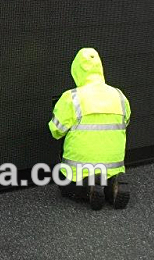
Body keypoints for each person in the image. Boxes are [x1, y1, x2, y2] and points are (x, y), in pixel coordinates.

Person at [48, 47, 131, 210]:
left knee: (63, 183)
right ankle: (112, 184)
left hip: (78, 171)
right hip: (113, 168)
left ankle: (88, 188)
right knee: (108, 176)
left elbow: (55, 131)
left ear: (76, 71)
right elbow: (125, 122)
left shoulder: (72, 97)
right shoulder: (119, 95)